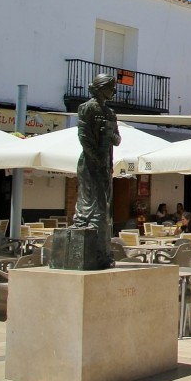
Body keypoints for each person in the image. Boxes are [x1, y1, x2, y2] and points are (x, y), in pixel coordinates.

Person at [71, 73, 121, 269]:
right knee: (93, 204)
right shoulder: (86, 108)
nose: (114, 91)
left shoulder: (110, 113)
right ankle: (97, 252)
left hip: (106, 163)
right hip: (91, 164)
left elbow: (117, 139)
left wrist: (109, 134)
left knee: (104, 207)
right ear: (101, 88)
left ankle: (102, 253)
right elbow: (84, 138)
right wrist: (97, 161)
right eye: (111, 87)